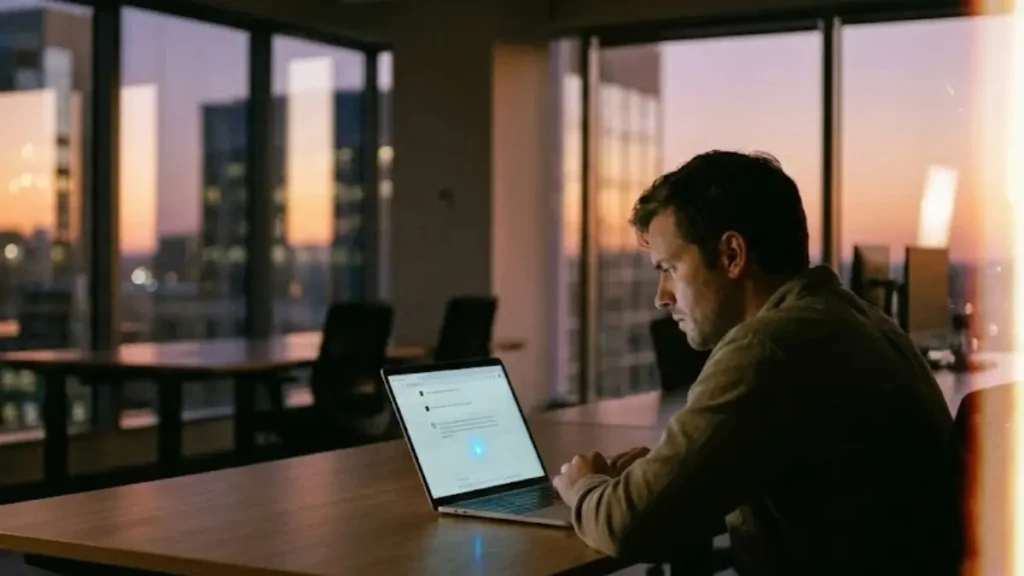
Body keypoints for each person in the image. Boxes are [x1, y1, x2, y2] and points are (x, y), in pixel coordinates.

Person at [552, 151, 958, 575]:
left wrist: (585, 486)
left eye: (670, 268)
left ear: (732, 255)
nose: (661, 297)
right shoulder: (857, 319)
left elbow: (627, 524)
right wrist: (670, 474)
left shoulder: (768, 348)